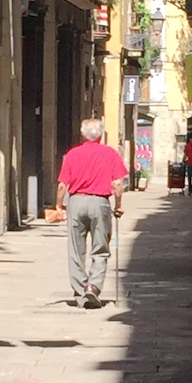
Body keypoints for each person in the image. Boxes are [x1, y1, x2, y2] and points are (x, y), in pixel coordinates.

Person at [56, 118, 128, 309]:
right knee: (100, 247)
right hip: (100, 202)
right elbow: (118, 183)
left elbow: (63, 184)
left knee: (75, 249)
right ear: (101, 134)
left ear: (82, 134)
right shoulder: (110, 154)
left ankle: (80, 291)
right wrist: (118, 205)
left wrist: (59, 206)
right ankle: (93, 286)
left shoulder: (72, 154)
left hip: (76, 201)